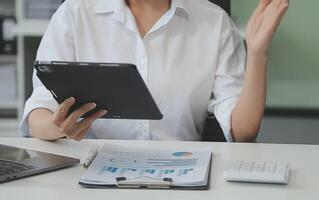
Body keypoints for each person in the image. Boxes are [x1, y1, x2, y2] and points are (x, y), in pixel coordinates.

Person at [20, 0, 289, 142]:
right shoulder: (74, 13)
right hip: (90, 175)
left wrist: (257, 52)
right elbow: (38, 113)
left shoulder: (214, 22)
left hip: (181, 175)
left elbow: (242, 130)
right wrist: (57, 127)